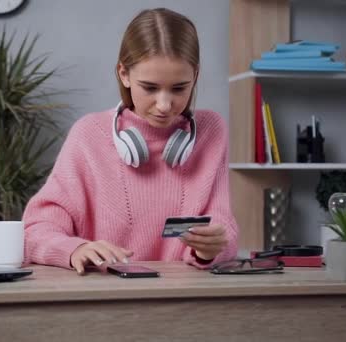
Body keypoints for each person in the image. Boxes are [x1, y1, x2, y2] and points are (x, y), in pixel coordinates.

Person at [22, 8, 238, 275]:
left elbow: (223, 225)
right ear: (124, 74)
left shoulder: (211, 131)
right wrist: (73, 249)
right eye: (150, 88)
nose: (164, 105)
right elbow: (35, 231)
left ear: (195, 75)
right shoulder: (89, 135)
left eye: (179, 88)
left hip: (187, 299)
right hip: (106, 302)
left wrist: (211, 247)